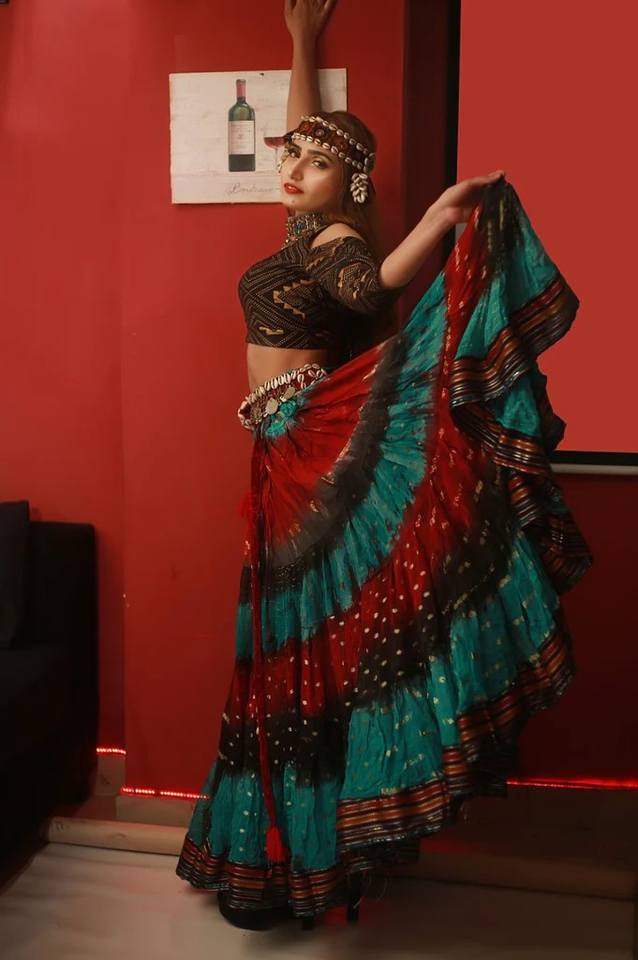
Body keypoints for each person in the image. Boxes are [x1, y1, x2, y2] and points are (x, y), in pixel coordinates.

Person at [175, 0, 593, 930]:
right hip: (280, 449)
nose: (291, 168)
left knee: (310, 638)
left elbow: (379, 285)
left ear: (351, 182)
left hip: (315, 448)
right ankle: (297, 853)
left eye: (315, 162)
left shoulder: (338, 242)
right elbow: (311, 142)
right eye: (289, 155)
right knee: (294, 636)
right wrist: (300, 43)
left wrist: (443, 213)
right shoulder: (303, 230)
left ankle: (315, 853)